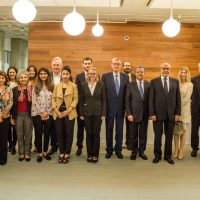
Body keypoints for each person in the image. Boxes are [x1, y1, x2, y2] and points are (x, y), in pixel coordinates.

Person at [149, 63, 181, 165]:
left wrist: (177, 113)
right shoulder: (154, 82)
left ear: (170, 69)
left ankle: (168, 156)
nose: (166, 70)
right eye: (164, 68)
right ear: (160, 69)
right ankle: (157, 156)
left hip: (171, 114)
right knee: (157, 136)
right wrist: (152, 113)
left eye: (167, 68)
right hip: (157, 114)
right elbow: (151, 99)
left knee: (169, 137)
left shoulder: (175, 81)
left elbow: (178, 99)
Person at [101, 58, 128, 159]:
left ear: (121, 66)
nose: (116, 66)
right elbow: (103, 95)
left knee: (119, 130)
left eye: (118, 64)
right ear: (111, 65)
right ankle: (109, 150)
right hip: (109, 108)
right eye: (115, 64)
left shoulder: (125, 77)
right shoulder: (105, 76)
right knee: (109, 129)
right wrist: (103, 110)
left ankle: (118, 150)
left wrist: (127, 110)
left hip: (121, 109)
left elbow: (126, 94)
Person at [79, 67, 106, 163]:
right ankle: (89, 154)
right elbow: (81, 100)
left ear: (96, 75)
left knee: (96, 134)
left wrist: (103, 113)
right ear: (88, 75)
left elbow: (104, 100)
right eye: (90, 74)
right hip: (87, 113)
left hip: (98, 113)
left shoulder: (101, 85)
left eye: (94, 74)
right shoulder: (83, 85)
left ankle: (95, 155)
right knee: (89, 134)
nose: (92, 75)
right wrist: (81, 113)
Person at [52, 66, 78, 164]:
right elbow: (53, 98)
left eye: (67, 74)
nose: (65, 76)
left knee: (68, 133)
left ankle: (67, 152)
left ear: (70, 75)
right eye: (64, 74)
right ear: (61, 75)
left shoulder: (73, 86)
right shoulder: (57, 86)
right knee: (59, 133)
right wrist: (56, 110)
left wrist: (69, 109)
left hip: (69, 112)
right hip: (58, 113)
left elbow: (76, 99)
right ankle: (61, 152)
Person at [125, 65, 149, 160]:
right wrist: (129, 113)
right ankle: (134, 151)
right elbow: (127, 100)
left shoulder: (148, 84)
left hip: (145, 113)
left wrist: (151, 113)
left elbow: (150, 100)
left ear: (144, 73)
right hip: (133, 114)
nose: (140, 73)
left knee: (143, 134)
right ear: (136, 73)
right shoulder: (130, 85)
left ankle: (141, 151)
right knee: (133, 134)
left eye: (141, 72)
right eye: (138, 72)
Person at [32, 67, 54, 163]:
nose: (43, 75)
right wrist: (41, 112)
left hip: (49, 113)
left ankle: (45, 152)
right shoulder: (35, 86)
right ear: (39, 75)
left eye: (45, 73)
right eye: (41, 74)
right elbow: (34, 101)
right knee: (38, 132)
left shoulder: (52, 86)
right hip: (37, 113)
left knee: (47, 133)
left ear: (47, 75)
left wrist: (47, 111)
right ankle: (40, 153)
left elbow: (55, 100)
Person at [11, 70, 33, 162]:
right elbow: (12, 104)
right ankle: (21, 152)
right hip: (18, 115)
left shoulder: (31, 89)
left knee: (28, 134)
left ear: (27, 78)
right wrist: (12, 117)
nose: (23, 79)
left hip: (28, 115)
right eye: (21, 77)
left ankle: (27, 152)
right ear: (18, 79)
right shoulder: (14, 89)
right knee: (19, 135)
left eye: (25, 77)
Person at [173, 67, 193, 160]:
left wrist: (178, 108)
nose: (183, 74)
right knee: (176, 132)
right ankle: (176, 150)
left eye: (185, 72)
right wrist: (176, 110)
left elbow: (186, 99)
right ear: (179, 73)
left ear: (187, 74)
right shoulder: (176, 83)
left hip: (184, 111)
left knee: (183, 132)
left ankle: (181, 150)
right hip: (176, 112)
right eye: (182, 72)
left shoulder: (190, 85)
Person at [75, 57, 93, 156]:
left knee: (90, 129)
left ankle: (90, 148)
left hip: (92, 108)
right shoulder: (78, 77)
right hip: (81, 107)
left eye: (89, 63)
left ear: (91, 64)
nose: (87, 65)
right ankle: (79, 147)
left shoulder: (95, 75)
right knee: (80, 129)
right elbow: (77, 93)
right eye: (85, 63)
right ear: (83, 65)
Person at [0, 71, 13, 165]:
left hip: (5, 117)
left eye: (2, 78)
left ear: (5, 79)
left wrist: (2, 114)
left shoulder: (8, 89)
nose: (1, 80)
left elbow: (11, 103)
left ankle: (3, 158)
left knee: (3, 138)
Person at [123, 61, 136, 149]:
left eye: (129, 65)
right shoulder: (121, 76)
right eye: (126, 65)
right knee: (126, 124)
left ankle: (130, 143)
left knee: (131, 125)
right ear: (123, 67)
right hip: (123, 105)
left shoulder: (134, 76)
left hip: (134, 105)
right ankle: (127, 141)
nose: (127, 67)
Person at [7, 66, 18, 155]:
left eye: (13, 72)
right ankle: (10, 143)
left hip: (16, 108)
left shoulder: (18, 83)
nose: (11, 74)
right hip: (7, 108)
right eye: (10, 72)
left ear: (16, 73)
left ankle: (14, 145)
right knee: (7, 128)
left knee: (15, 128)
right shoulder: (5, 83)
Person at [191, 63, 200, 157]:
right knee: (194, 130)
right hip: (196, 110)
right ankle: (194, 148)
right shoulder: (193, 80)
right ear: (198, 69)